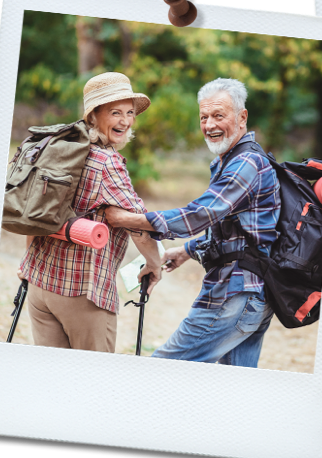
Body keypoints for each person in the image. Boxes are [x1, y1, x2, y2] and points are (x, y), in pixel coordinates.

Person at [105, 77, 280, 368]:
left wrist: (129, 219)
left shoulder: (246, 163)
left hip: (234, 294)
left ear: (242, 117)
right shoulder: (232, 160)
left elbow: (201, 214)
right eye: (204, 117)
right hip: (252, 295)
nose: (209, 125)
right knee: (232, 392)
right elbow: (234, 229)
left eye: (218, 116)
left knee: (160, 369)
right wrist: (186, 251)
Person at [19, 72, 162, 352]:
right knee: (94, 384)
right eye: (115, 112)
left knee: (55, 381)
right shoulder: (106, 162)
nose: (125, 121)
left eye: (130, 113)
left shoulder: (57, 144)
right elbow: (140, 225)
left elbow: (36, 211)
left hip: (39, 284)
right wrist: (154, 263)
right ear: (93, 115)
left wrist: (26, 264)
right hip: (82, 293)